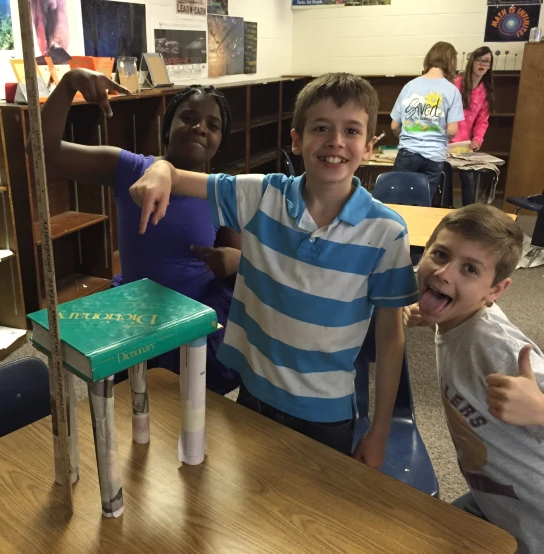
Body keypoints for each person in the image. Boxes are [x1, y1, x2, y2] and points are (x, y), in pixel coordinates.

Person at [129, 73, 418, 467]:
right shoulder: (263, 194)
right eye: (321, 128)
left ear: (368, 147)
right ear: (297, 139)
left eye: (351, 130)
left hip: (326, 414)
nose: (335, 141)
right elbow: (180, 177)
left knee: (310, 522)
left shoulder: (387, 233)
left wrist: (379, 430)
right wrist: (161, 171)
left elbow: (389, 339)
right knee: (245, 511)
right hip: (254, 397)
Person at [41, 69, 242, 395]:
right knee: (133, 404)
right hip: (137, 316)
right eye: (188, 117)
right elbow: (45, 152)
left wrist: (235, 260)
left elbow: (240, 258)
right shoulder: (130, 168)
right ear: (166, 129)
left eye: (213, 125)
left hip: (193, 319)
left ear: (219, 144)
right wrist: (67, 86)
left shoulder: (221, 192)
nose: (199, 127)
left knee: (190, 410)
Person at [404, 204, 544, 554]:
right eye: (440, 254)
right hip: (501, 503)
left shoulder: (495, 346)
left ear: (495, 291)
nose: (444, 273)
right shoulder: (459, 320)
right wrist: (435, 318)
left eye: (470, 269)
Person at [390, 41, 464, 200]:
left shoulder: (409, 86)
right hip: (434, 155)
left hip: (408, 152)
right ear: (451, 62)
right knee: (422, 202)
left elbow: (395, 125)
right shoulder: (452, 91)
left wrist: (409, 137)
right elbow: (452, 130)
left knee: (397, 202)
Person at [450, 47, 494, 206]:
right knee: (445, 176)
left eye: (487, 61)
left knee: (468, 179)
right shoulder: (457, 83)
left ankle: (469, 213)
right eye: (479, 60)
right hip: (446, 140)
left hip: (464, 144)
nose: (482, 64)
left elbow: (483, 120)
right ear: (472, 62)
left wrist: (478, 139)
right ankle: (444, 209)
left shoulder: (485, 91)